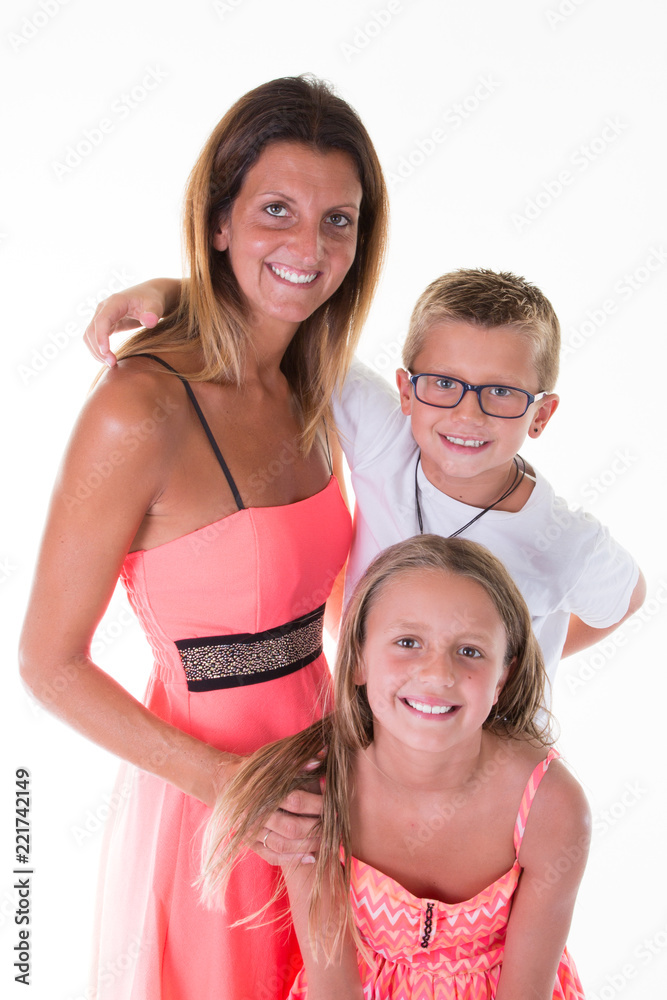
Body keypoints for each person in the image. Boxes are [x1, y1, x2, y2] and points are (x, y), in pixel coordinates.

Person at [19, 75, 388, 1000]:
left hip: (332, 787)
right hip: (212, 809)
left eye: (337, 220)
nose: (309, 248)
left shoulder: (319, 381)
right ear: (216, 220)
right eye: (275, 211)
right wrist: (236, 791)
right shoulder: (136, 410)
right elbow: (46, 663)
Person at [87, 269, 645, 689]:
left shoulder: (562, 539)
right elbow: (286, 322)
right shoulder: (386, 439)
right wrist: (172, 293)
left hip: (486, 780)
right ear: (405, 390)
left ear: (541, 415)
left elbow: (624, 600)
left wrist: (514, 675)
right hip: (364, 757)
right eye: (443, 383)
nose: (467, 415)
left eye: (501, 392)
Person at [200, 534, 590, 999]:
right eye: (408, 642)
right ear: (359, 657)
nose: (437, 674)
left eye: (470, 651)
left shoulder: (550, 805)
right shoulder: (317, 788)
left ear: (503, 676)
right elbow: (332, 984)